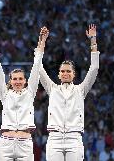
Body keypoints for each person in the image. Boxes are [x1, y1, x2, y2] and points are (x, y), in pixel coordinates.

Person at [39, 24, 99, 161]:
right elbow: (39, 68)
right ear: (59, 75)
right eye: (62, 71)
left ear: (74, 74)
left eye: (68, 71)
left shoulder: (80, 90)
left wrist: (93, 40)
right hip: (54, 139)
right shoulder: (52, 88)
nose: (65, 73)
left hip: (74, 139)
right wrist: (42, 41)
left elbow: (94, 67)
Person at [0, 28, 48, 160]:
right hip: (6, 143)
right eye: (14, 79)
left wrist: (42, 41)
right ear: (10, 81)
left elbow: (36, 66)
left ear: (25, 81)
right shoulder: (4, 94)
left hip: (25, 144)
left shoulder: (30, 93)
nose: (17, 81)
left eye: (20, 78)